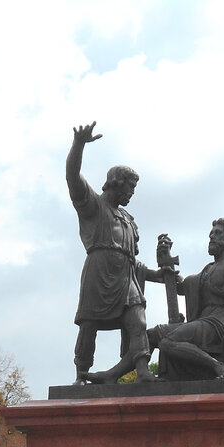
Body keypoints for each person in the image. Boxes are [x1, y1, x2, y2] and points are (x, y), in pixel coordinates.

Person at [67, 122, 165, 384]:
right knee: (88, 325)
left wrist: (158, 275)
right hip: (98, 272)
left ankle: (142, 371)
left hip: (126, 277)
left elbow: (134, 261)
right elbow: (72, 178)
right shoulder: (93, 205)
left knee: (137, 319)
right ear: (116, 184)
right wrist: (78, 145)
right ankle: (81, 375)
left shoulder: (128, 219)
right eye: (129, 188)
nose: (132, 193)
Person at [146, 218, 224, 379]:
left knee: (167, 342)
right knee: (150, 335)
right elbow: (182, 287)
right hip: (205, 323)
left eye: (217, 233)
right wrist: (166, 263)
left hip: (223, 325)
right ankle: (141, 375)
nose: (212, 237)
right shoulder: (207, 271)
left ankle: (217, 365)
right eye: (211, 233)